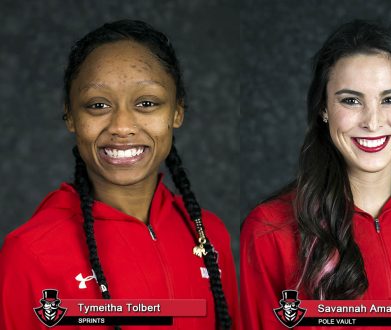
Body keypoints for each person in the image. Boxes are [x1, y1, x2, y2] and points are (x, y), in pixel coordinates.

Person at [0, 20, 239, 330]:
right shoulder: (29, 253)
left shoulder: (209, 233)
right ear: (71, 116)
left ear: (177, 112)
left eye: (147, 103)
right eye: (97, 105)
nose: (122, 126)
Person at [241, 19, 391, 329]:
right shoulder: (270, 228)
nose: (373, 120)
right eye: (351, 100)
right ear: (323, 109)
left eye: (390, 99)